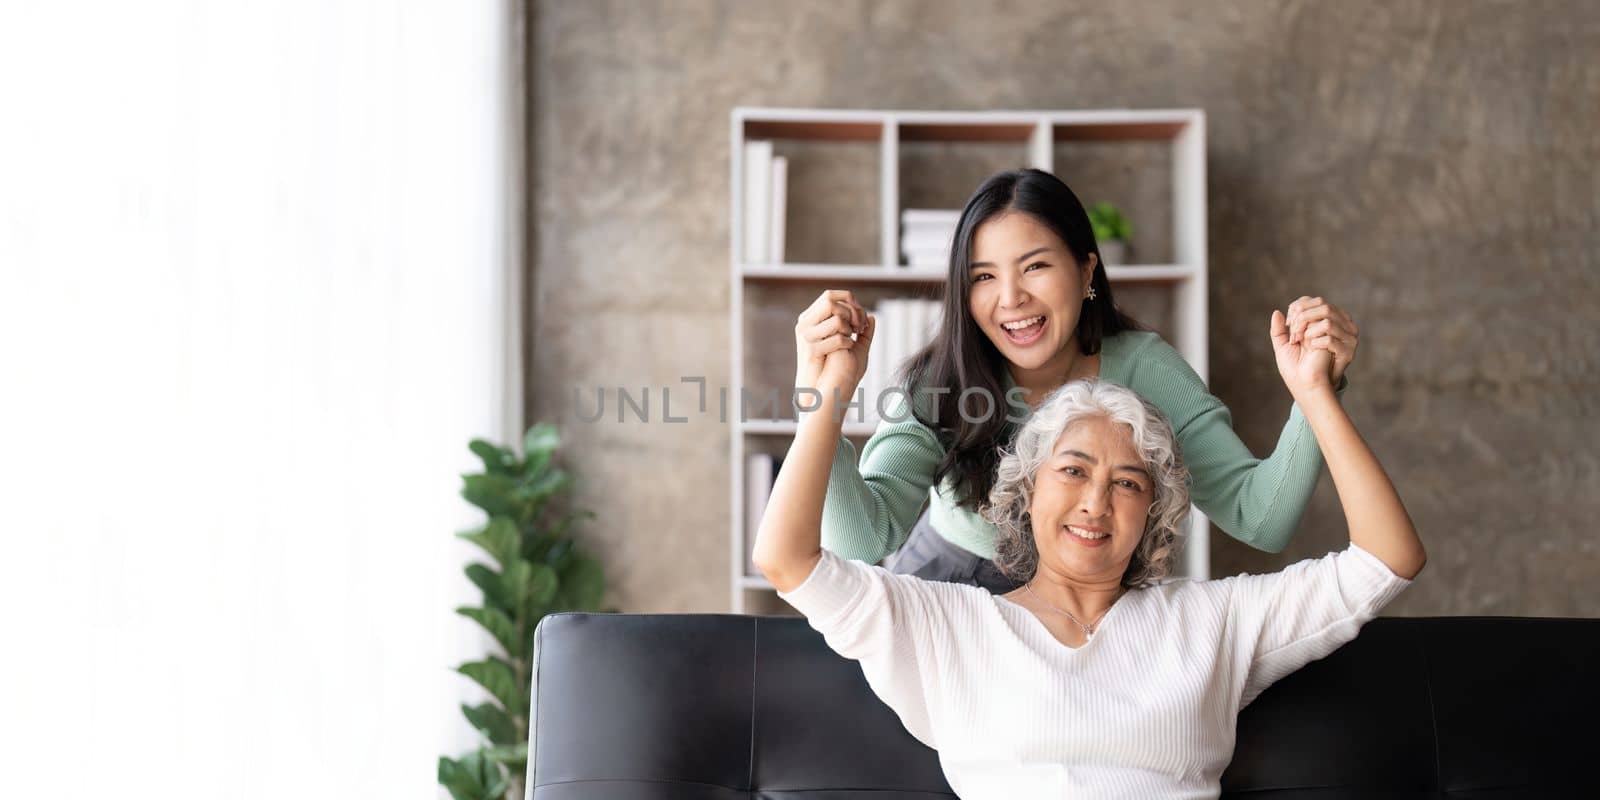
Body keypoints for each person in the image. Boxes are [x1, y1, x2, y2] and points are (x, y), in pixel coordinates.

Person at [753, 304, 1425, 798]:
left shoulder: (1213, 621)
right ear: (1026, 491)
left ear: (1154, 512)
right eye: (1072, 471)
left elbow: (1388, 558)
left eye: (1127, 483)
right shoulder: (948, 623)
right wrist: (827, 389)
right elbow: (787, 559)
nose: (1095, 503)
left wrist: (1315, 393)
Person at [796, 169, 1361, 591]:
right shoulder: (941, 380)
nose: (1011, 299)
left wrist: (1314, 392)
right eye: (984, 276)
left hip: (1090, 601)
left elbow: (1259, 516)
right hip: (950, 589)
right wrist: (821, 399)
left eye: (1035, 266)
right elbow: (861, 542)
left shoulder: (1146, 371)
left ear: (1086, 270)